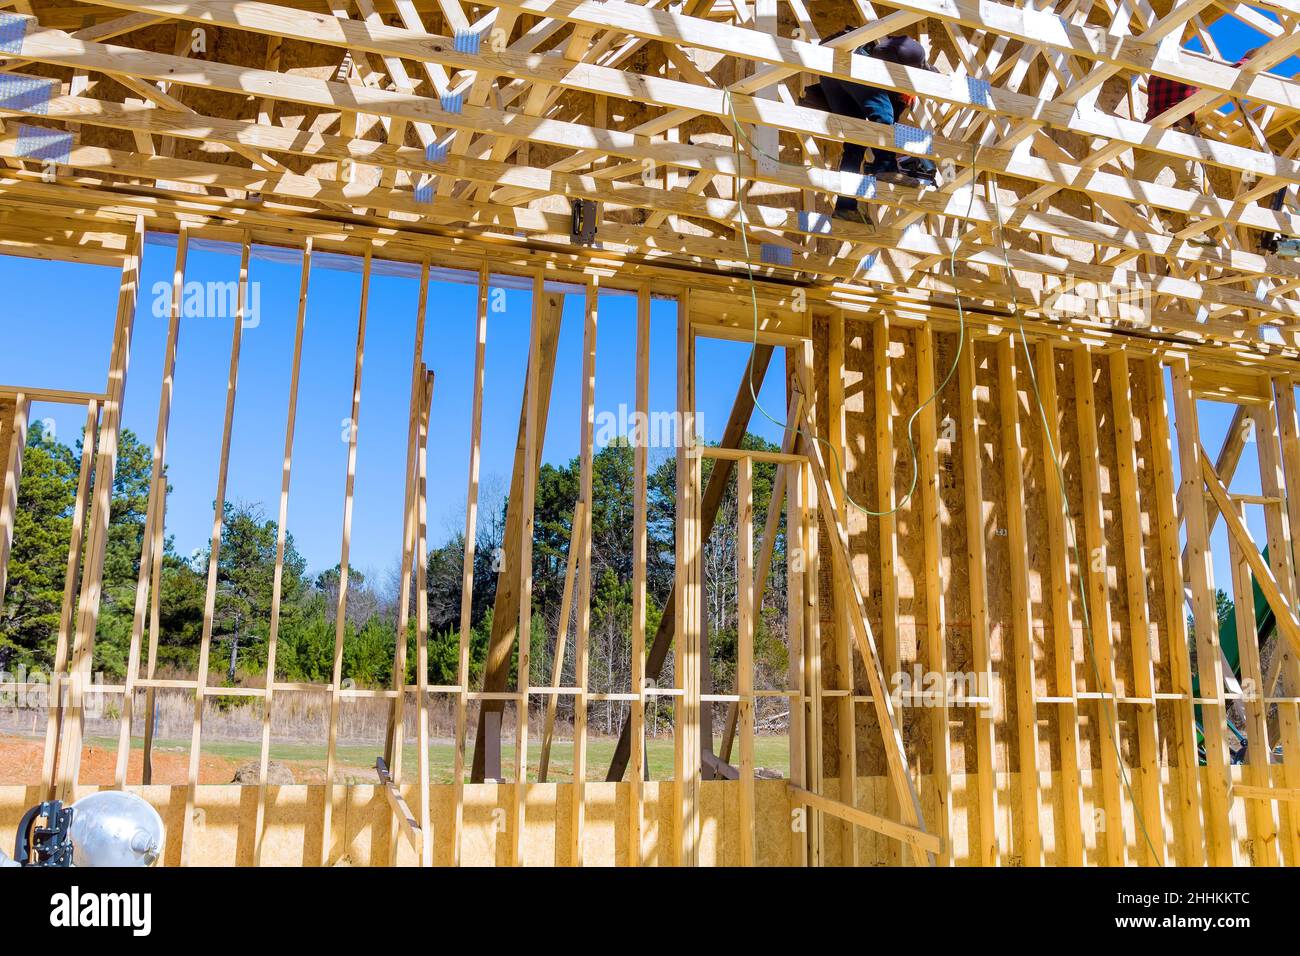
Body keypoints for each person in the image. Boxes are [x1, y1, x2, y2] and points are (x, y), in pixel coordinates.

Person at [811, 32, 938, 222]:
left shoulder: (898, 92)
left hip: (832, 76)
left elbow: (883, 128)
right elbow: (881, 49)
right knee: (882, 116)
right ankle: (885, 166)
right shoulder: (915, 53)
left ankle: (846, 207)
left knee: (855, 143)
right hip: (852, 62)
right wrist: (886, 161)